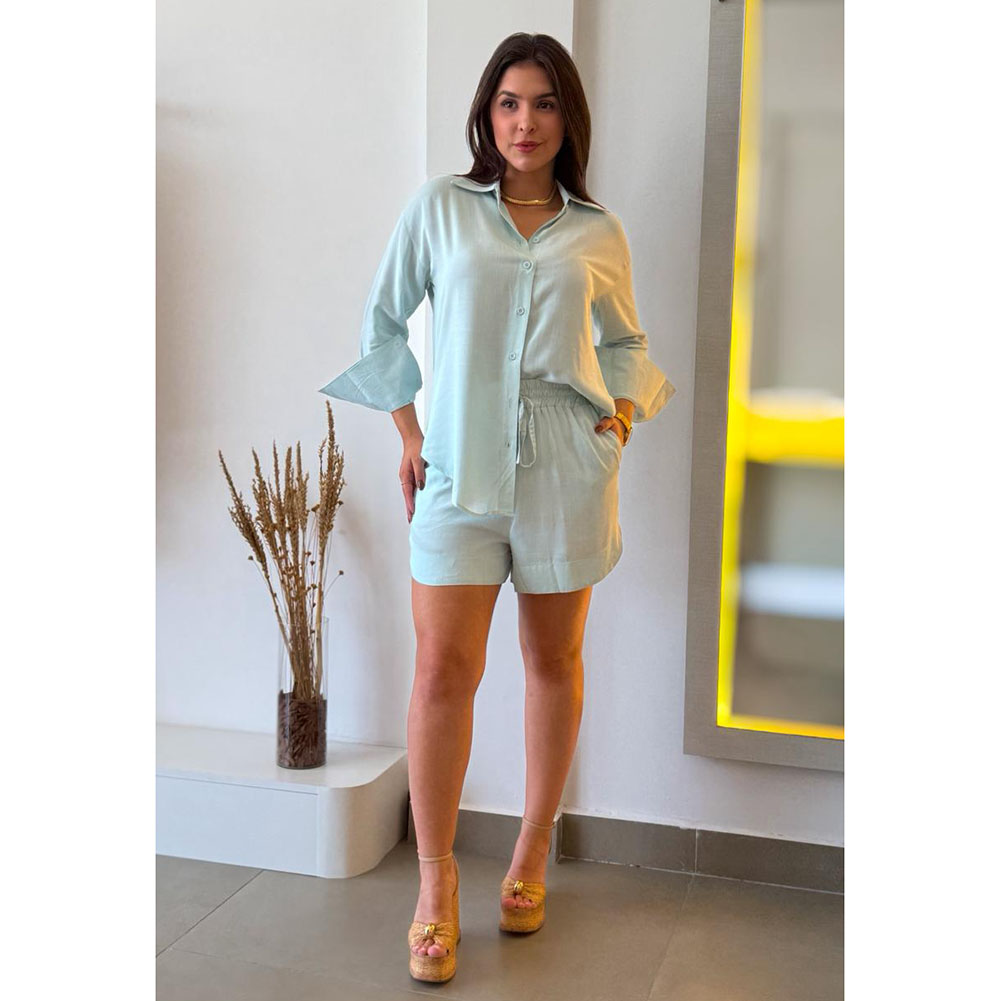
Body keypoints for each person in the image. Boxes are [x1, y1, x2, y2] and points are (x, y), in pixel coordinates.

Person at [318, 32, 675, 984]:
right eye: (510, 102)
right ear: (486, 113)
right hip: (457, 467)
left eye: (545, 103)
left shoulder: (597, 230)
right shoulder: (441, 208)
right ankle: (435, 882)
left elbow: (628, 343)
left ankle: (530, 850)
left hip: (567, 468)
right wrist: (408, 434)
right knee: (443, 669)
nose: (526, 122)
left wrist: (619, 421)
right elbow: (382, 322)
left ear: (569, 119)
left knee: (553, 661)